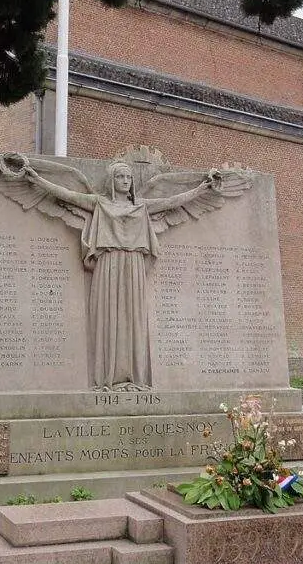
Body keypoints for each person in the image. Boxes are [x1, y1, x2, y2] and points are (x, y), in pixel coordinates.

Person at [22, 160, 218, 391]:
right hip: (108, 262)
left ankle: (134, 377)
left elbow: (172, 201)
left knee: (132, 315)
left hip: (134, 263)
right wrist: (35, 178)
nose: (126, 181)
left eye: (128, 178)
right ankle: (107, 377)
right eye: (120, 177)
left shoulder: (142, 207)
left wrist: (202, 188)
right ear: (112, 181)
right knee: (108, 315)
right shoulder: (100, 204)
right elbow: (67, 195)